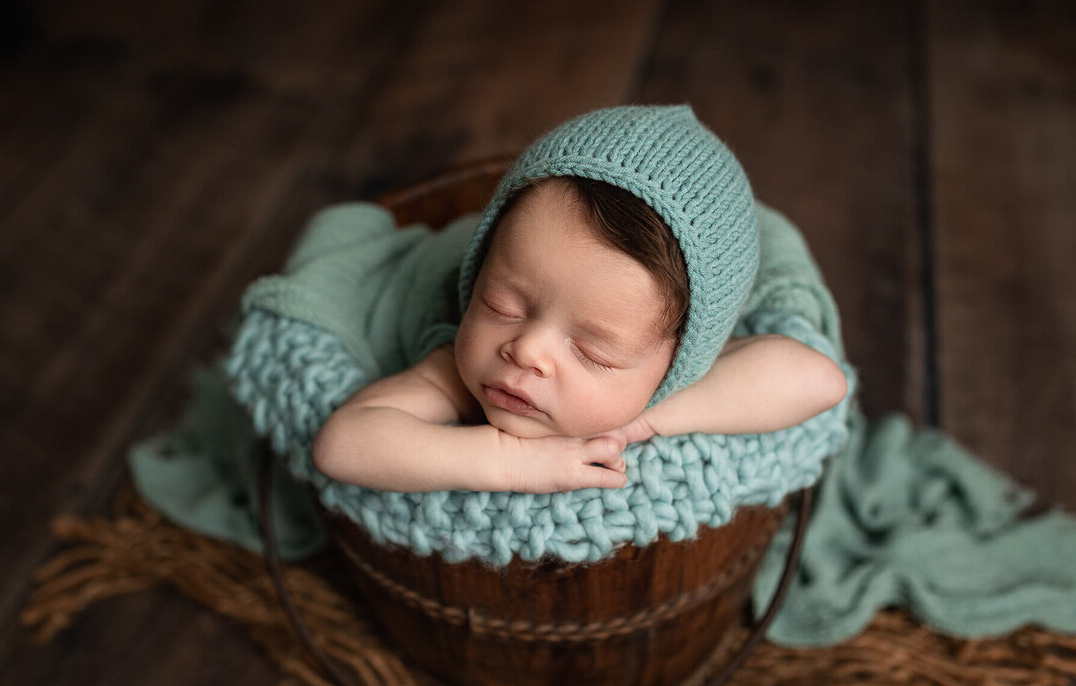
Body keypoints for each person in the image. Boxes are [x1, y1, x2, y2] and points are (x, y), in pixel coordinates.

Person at [312, 107, 848, 494]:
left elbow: (821, 380)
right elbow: (345, 443)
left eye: (595, 353)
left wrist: (648, 418)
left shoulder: (665, 382)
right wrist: (509, 462)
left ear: (676, 364)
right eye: (502, 305)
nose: (526, 352)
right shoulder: (456, 368)